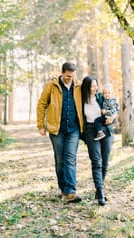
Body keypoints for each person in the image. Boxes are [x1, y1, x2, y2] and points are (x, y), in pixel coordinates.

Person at [37, 62, 83, 203]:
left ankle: (70, 191)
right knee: (60, 160)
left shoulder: (78, 86)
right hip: (56, 129)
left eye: (73, 76)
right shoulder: (52, 85)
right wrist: (40, 125)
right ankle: (63, 188)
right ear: (62, 73)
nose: (70, 78)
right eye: (68, 76)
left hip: (73, 129)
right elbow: (42, 104)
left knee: (70, 158)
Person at [81, 76, 117, 206]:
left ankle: (99, 188)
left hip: (105, 130)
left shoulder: (101, 97)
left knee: (105, 162)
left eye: (96, 86)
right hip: (90, 131)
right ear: (86, 87)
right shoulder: (81, 101)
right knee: (97, 161)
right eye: (91, 86)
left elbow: (113, 108)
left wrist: (113, 117)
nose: (94, 88)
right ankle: (100, 192)